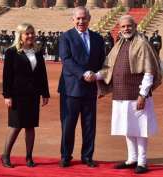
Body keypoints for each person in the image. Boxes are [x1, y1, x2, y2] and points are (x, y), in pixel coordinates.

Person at [96, 15, 162, 174]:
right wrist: (95, 76)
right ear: (119, 28)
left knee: (140, 129)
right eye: (123, 26)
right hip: (121, 93)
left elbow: (149, 71)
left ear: (135, 26)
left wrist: (143, 94)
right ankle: (132, 159)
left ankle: (142, 161)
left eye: (129, 26)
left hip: (137, 94)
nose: (126, 29)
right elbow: (109, 68)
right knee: (128, 127)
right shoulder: (119, 44)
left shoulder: (142, 44)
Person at [58, 6, 105, 168]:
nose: (81, 21)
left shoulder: (98, 38)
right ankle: (65, 156)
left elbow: (101, 62)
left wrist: (99, 82)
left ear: (89, 19)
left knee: (89, 125)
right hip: (71, 88)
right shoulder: (66, 37)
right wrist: (83, 73)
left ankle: (87, 156)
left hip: (90, 88)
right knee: (68, 125)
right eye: (78, 18)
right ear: (73, 19)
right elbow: (66, 60)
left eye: (84, 18)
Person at [1, 23, 50, 168]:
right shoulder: (11, 52)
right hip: (17, 95)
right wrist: (7, 95)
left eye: (32, 33)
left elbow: (42, 74)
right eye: (27, 33)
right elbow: (7, 76)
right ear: (20, 35)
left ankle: (29, 157)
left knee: (30, 126)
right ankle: (5, 156)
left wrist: (45, 93)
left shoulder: (37, 51)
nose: (30, 36)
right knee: (16, 126)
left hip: (33, 94)